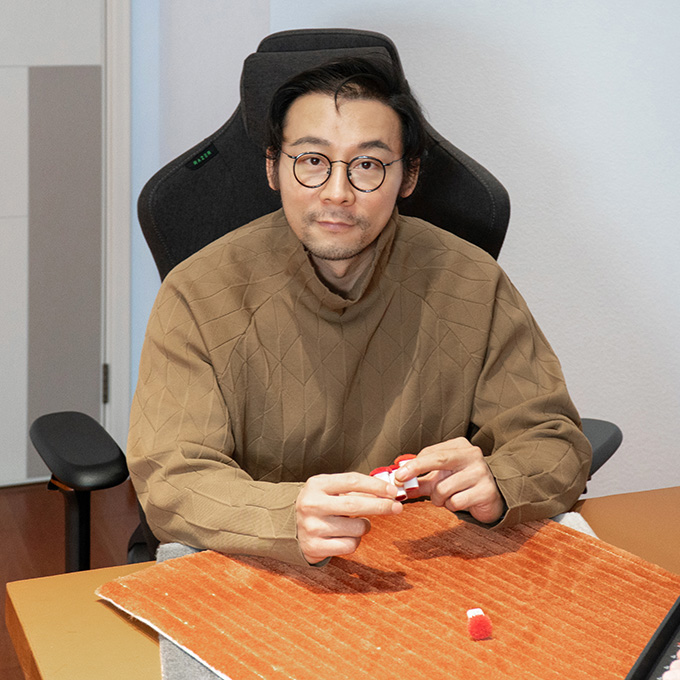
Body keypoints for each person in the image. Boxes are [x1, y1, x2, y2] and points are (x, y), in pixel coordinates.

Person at [127, 56, 591, 567]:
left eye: (367, 165)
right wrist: (284, 516)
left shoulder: (472, 279)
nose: (337, 193)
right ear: (272, 168)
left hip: (426, 558)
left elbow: (554, 440)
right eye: (311, 161)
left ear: (408, 176)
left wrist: (500, 482)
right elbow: (171, 478)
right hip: (265, 562)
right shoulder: (197, 291)